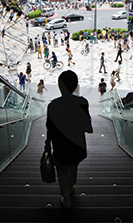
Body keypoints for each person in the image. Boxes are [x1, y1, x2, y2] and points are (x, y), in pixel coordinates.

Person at [45, 70, 93, 208]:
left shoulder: (52, 106)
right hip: (77, 144)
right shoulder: (82, 102)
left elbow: (50, 128)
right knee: (73, 165)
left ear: (59, 86)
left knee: (62, 169)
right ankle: (70, 185)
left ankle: (65, 197)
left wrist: (47, 143)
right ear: (75, 86)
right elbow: (88, 127)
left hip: (59, 144)